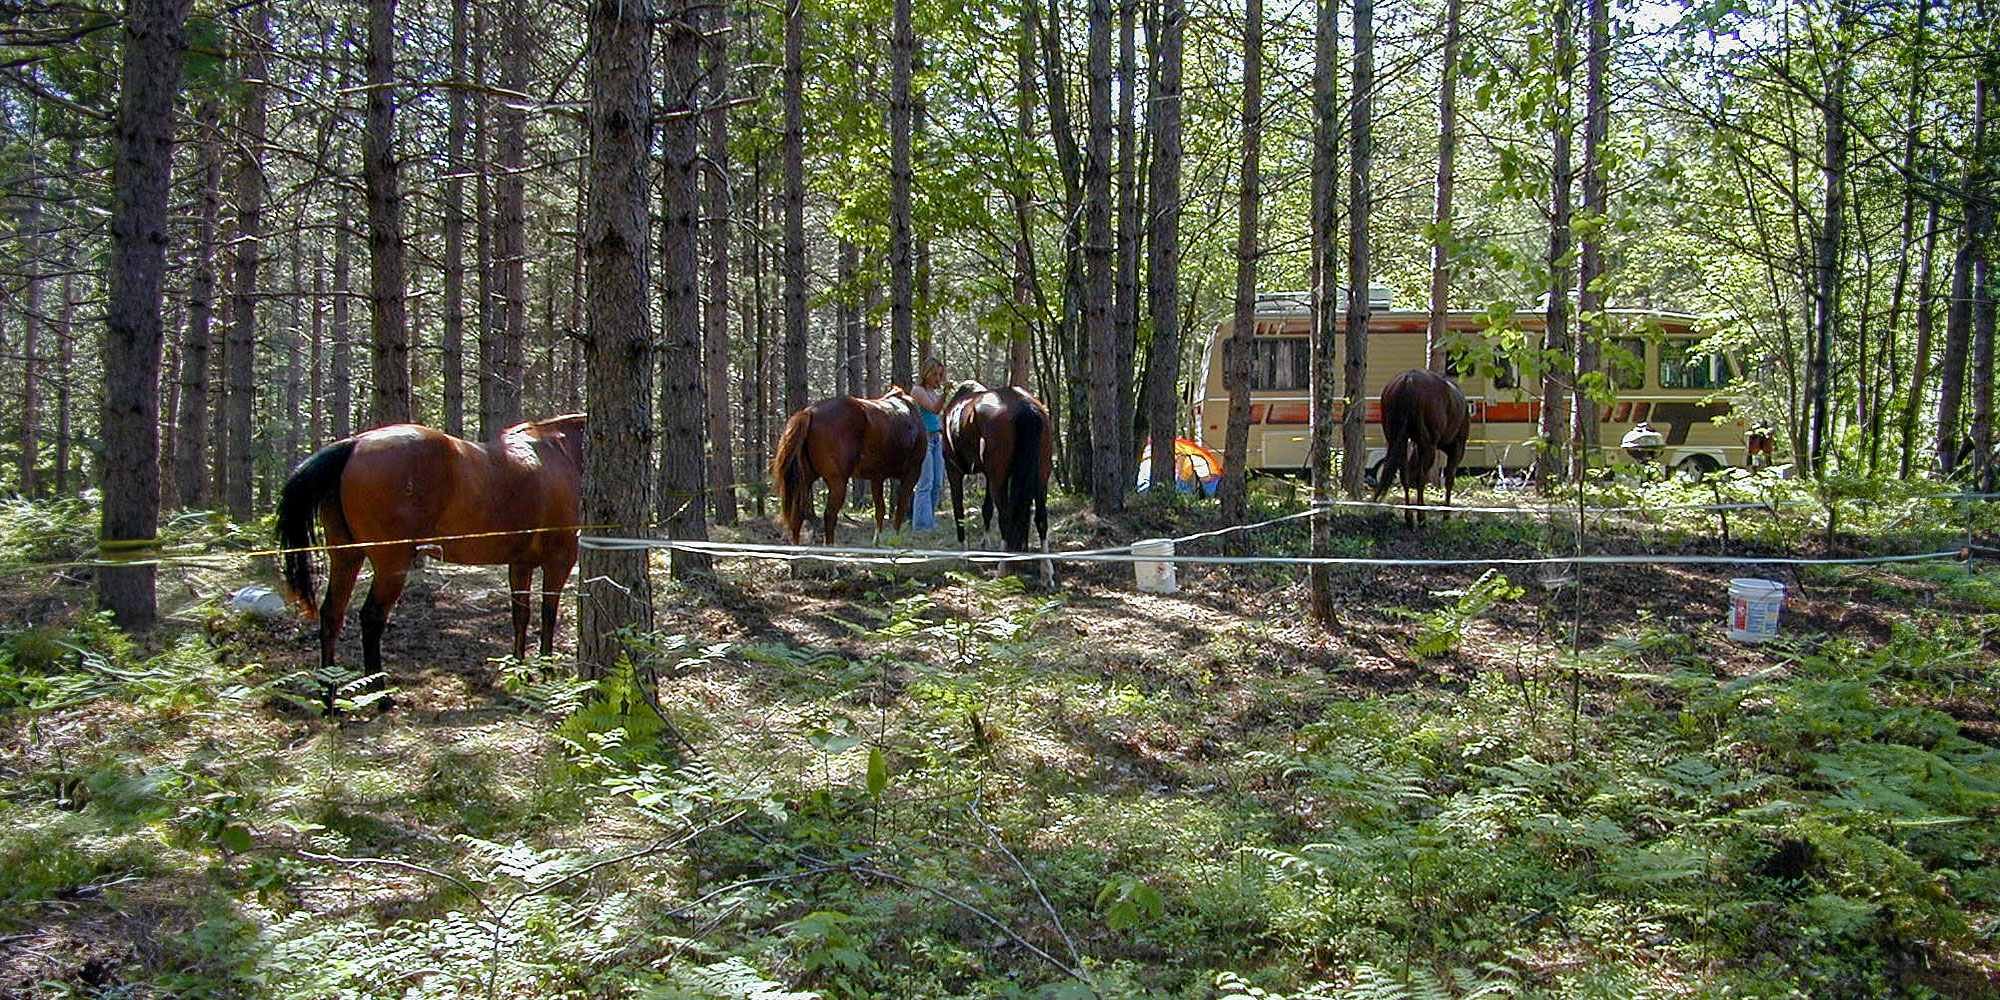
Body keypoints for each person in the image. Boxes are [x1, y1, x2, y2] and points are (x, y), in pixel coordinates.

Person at [909, 357, 947, 531]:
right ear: (926, 373)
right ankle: (921, 525)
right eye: (935, 374)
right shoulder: (918, 391)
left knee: (937, 483)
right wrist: (945, 394)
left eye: (940, 375)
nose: (938, 378)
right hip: (923, 440)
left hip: (936, 439)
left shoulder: (934, 393)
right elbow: (933, 409)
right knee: (926, 482)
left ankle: (929, 521)